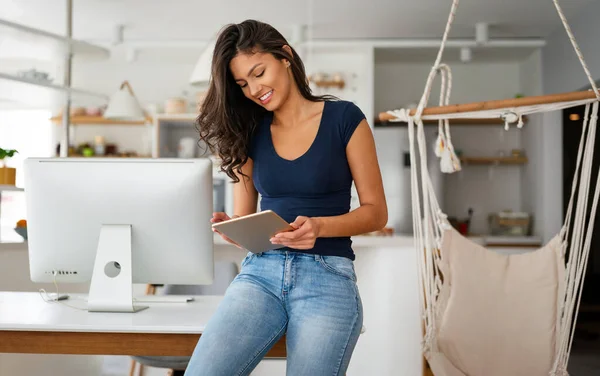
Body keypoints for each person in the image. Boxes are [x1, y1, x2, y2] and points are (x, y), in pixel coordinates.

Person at [184, 19, 387, 376]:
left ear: (285, 56)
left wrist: (319, 227)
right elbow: (243, 217)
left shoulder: (344, 118)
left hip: (328, 275)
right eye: (243, 84)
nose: (253, 90)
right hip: (260, 273)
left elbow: (376, 213)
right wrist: (233, 228)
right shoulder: (248, 131)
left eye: (259, 73)